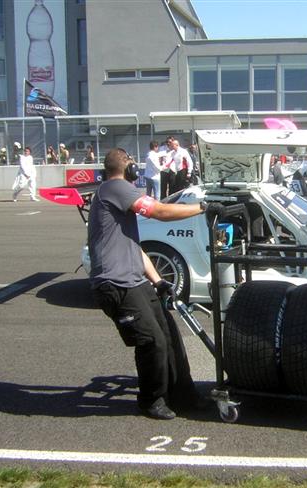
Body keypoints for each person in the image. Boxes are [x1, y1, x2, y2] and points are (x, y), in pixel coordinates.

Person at [88, 147, 225, 420]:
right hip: (115, 284)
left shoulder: (116, 198)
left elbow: (134, 248)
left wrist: (159, 280)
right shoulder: (115, 188)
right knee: (152, 341)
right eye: (130, 162)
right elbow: (159, 211)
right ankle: (151, 400)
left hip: (134, 280)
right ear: (125, 168)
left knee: (170, 337)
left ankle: (185, 398)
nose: (134, 168)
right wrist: (202, 208)